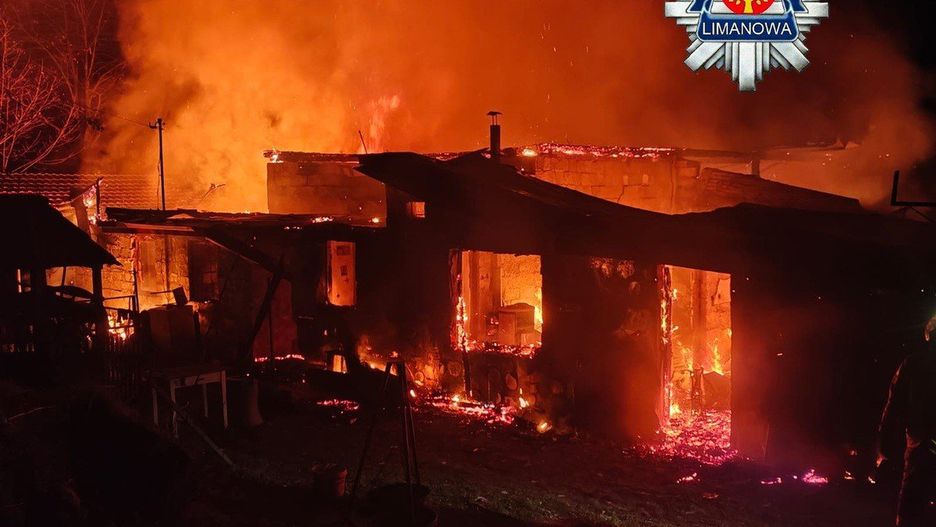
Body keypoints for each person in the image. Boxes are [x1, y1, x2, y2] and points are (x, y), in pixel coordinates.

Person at [878, 316, 936, 527]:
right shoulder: (913, 364)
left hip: (918, 449)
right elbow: (893, 406)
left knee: (911, 509)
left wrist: (883, 445)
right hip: (919, 448)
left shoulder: (913, 364)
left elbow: (893, 406)